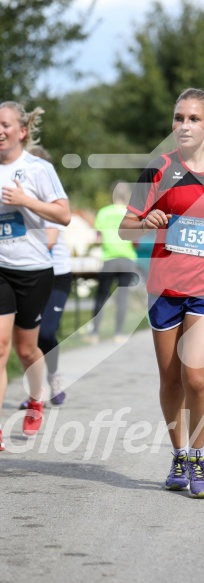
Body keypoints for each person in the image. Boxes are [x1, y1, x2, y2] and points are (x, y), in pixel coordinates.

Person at [119, 87, 204, 498]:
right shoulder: (158, 169)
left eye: (193, 119)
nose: (184, 125)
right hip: (165, 287)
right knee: (171, 378)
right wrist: (147, 220)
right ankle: (178, 455)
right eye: (178, 118)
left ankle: (197, 457)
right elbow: (125, 226)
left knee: (195, 374)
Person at [0, 101, 70, 450]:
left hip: (33, 269)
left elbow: (64, 215)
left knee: (28, 350)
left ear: (21, 131)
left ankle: (36, 399)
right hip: (0, 268)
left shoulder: (38, 169)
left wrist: (26, 201)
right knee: (0, 346)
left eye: (5, 124)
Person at [18, 146, 72, 410]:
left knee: (47, 332)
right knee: (25, 339)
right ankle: (35, 393)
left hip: (56, 275)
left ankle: (54, 377)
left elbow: (47, 242)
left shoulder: (50, 202)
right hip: (27, 275)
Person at [85, 183, 138, 344]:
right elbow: (135, 241)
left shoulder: (103, 212)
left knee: (101, 297)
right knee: (122, 298)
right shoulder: (132, 213)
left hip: (109, 259)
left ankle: (94, 334)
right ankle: (119, 334)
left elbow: (98, 238)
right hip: (127, 259)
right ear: (127, 195)